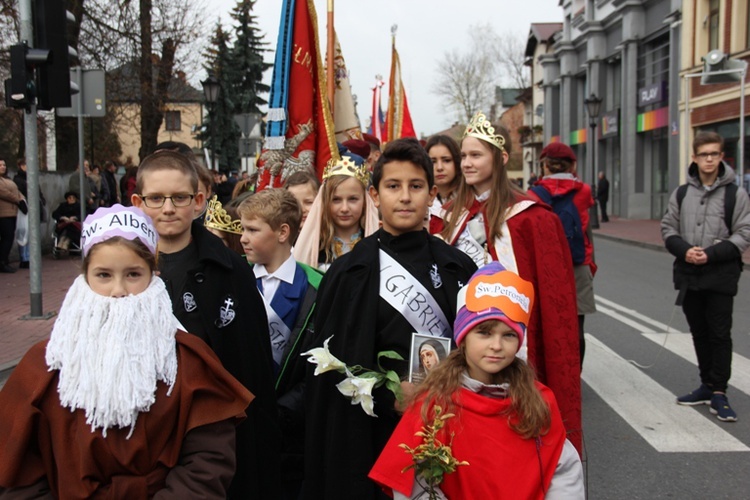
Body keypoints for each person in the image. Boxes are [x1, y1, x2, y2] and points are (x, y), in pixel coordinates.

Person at [0, 204, 253, 497]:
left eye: (133, 274)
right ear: (84, 278)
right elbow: (18, 467)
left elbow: (207, 460)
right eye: (104, 275)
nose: (118, 290)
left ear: (152, 275)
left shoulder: (187, 360)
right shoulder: (42, 365)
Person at [303, 138, 477, 499]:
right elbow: (329, 365)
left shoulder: (457, 266)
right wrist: (389, 394)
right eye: (393, 186)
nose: (405, 197)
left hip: (452, 422)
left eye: (416, 187)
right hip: (371, 432)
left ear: (431, 194)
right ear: (375, 195)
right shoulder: (350, 271)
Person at [130, 150, 281, 498]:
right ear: (139, 201)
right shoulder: (124, 267)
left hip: (216, 431)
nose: (168, 208)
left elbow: (251, 362)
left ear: (198, 200)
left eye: (179, 197)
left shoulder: (230, 270)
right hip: (147, 429)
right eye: (156, 198)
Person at [369, 262, 584, 499]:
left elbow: (563, 471)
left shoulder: (538, 401)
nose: (496, 345)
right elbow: (414, 481)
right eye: (484, 332)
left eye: (509, 335)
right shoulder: (433, 403)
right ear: (463, 337)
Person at [433, 111, 582, 452]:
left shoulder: (531, 217)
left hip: (511, 340)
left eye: (476, 155)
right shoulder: (449, 213)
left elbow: (553, 298)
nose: (466, 163)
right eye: (464, 156)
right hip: (463, 338)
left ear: (500, 158)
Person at [237, 188, 323, 499]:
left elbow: (322, 361)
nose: (243, 238)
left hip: (293, 432)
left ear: (283, 232)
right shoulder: (235, 279)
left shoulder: (316, 287)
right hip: (241, 422)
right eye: (242, 229)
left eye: (252, 230)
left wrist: (285, 409)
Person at [661, 131, 750, 422]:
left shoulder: (735, 194)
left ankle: (720, 392)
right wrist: (685, 251)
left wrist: (710, 254)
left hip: (721, 274)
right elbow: (668, 228)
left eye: (714, 154)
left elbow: (744, 232)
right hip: (689, 274)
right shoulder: (682, 193)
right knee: (698, 332)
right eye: (704, 154)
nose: (709, 159)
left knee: (719, 333)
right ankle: (706, 385)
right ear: (695, 157)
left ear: (721, 157)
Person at [528, 143, 596, 368]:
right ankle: (574, 375)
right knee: (576, 326)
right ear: (572, 165)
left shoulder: (534, 194)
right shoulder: (584, 191)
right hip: (577, 265)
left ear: (544, 166)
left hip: (546, 266)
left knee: (547, 322)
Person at [293, 153, 379, 271]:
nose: (344, 208)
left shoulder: (377, 243)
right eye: (336, 200)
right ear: (325, 201)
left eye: (352, 199)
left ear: (365, 201)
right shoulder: (313, 245)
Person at [12, 158, 46, 269]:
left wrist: (42, 199)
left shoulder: (32, 178)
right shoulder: (18, 179)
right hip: (25, 209)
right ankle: (24, 258)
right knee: (25, 233)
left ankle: (31, 257)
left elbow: (38, 192)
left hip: (35, 209)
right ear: (22, 166)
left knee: (33, 234)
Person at [425, 135, 461, 228]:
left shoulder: (470, 198)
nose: (439, 167)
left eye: (446, 160)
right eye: (433, 162)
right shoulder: (422, 202)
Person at [0, 158, 24, 273]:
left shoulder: (7, 179)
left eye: (4, 165)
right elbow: (4, 192)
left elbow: (16, 191)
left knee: (8, 238)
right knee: (6, 238)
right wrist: (18, 201)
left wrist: (22, 199)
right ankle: (2, 262)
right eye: (0, 165)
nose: (3, 167)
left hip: (12, 213)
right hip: (3, 214)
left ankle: (5, 260)